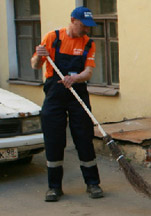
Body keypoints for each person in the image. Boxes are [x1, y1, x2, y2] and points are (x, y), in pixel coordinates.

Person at [31, 6, 103, 202]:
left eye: (89, 26)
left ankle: (93, 184)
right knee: (54, 139)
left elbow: (88, 72)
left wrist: (76, 78)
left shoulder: (88, 43)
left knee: (84, 136)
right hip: (55, 94)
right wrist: (39, 55)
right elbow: (36, 65)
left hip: (77, 92)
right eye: (83, 25)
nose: (86, 30)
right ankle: (54, 188)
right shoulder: (53, 38)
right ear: (73, 20)